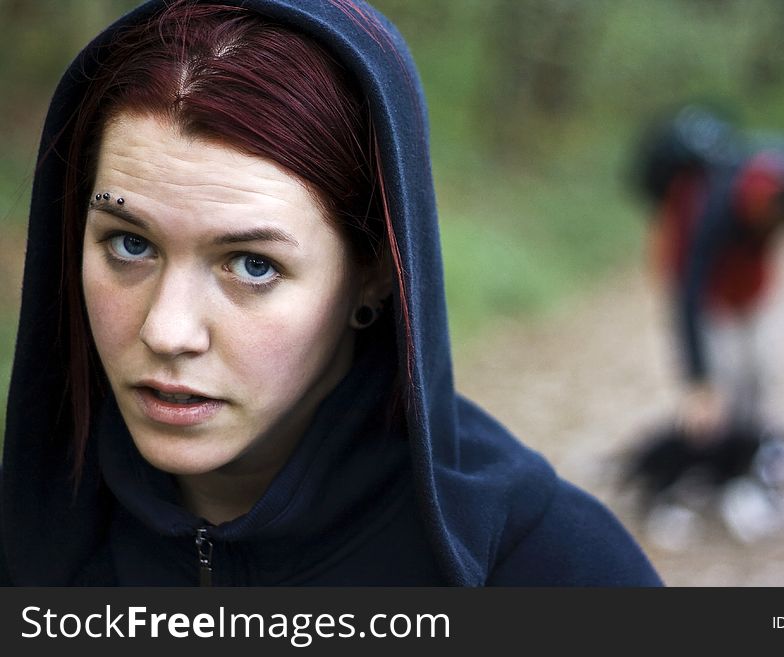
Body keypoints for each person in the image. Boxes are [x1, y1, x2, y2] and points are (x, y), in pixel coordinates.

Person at [0, 0, 662, 586]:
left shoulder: (548, 572)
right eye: (130, 245)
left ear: (373, 269)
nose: (167, 331)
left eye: (251, 264)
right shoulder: (24, 549)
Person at [624, 103, 784, 542]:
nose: (771, 224)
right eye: (763, 217)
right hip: (712, 292)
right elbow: (688, 295)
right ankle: (708, 469)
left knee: (761, 375)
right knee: (723, 388)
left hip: (753, 289)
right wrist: (698, 380)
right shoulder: (716, 209)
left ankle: (745, 470)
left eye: (779, 218)